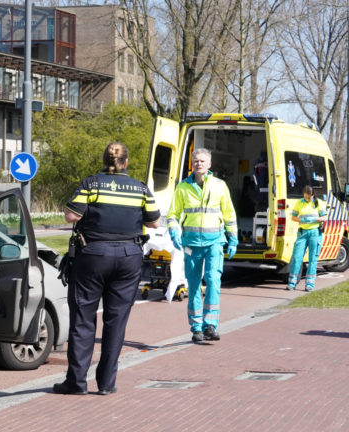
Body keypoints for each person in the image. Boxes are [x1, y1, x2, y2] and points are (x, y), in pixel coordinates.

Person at [52, 142, 160, 396]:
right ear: (126, 162)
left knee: (83, 319)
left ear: (104, 160)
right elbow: (154, 222)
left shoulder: (91, 184)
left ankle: (77, 382)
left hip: (93, 255)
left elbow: (71, 216)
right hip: (128, 256)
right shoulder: (140, 188)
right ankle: (106, 383)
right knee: (116, 320)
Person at [167, 148, 238, 343]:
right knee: (194, 285)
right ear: (192, 164)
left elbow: (229, 213)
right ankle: (196, 327)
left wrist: (233, 238)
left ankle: (210, 325)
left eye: (202, 161)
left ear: (209, 164)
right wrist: (173, 231)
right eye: (196, 161)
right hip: (191, 243)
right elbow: (173, 214)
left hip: (214, 241)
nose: (199, 164)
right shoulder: (182, 187)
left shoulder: (219, 186)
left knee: (213, 281)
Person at [287, 185, 327, 291]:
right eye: (305, 197)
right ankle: (292, 283)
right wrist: (300, 220)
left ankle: (309, 284)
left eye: (309, 197)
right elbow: (293, 217)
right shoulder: (299, 203)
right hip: (302, 233)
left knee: (313, 259)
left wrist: (314, 219)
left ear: (313, 195)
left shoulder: (318, 203)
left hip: (315, 233)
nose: (307, 199)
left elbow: (324, 218)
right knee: (296, 257)